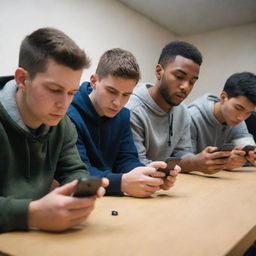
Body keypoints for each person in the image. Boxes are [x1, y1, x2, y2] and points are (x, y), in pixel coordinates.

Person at [0, 27, 108, 233]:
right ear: (22, 79)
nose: (64, 104)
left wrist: (80, 193)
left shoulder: (63, 124)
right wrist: (31, 213)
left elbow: (74, 170)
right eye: (55, 90)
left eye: (71, 93)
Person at [67, 48, 180, 198]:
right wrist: (122, 182)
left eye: (126, 95)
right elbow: (78, 171)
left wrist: (146, 175)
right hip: (83, 196)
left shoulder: (123, 115)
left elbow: (126, 159)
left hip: (111, 197)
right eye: (111, 91)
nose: (118, 103)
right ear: (94, 81)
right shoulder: (69, 114)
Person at [126, 41, 231, 175]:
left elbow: (183, 152)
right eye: (179, 77)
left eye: (192, 82)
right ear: (159, 71)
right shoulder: (132, 109)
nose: (186, 87)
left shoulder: (182, 111)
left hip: (168, 182)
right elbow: (137, 165)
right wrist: (193, 164)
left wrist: (199, 160)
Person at [188, 72, 256, 170]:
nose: (241, 118)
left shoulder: (237, 120)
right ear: (223, 97)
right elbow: (185, 160)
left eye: (248, 112)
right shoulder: (192, 117)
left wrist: (250, 155)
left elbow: (245, 143)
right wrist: (222, 163)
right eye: (239, 108)